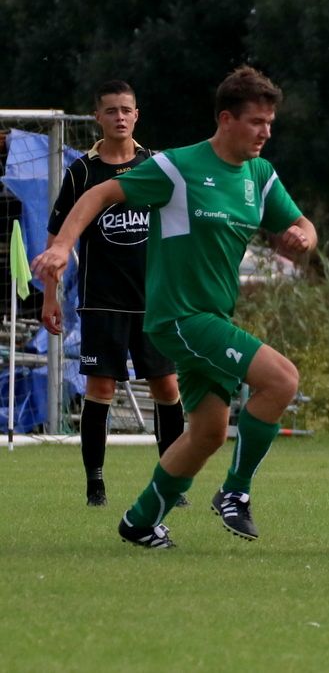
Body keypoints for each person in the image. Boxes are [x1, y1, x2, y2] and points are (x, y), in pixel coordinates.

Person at [33, 66, 317, 549]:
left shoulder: (259, 175)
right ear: (226, 119)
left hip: (212, 318)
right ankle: (235, 492)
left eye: (270, 122)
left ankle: (141, 520)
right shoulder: (177, 167)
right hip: (178, 318)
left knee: (206, 432)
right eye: (256, 122)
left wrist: (302, 236)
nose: (265, 132)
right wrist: (62, 247)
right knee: (282, 379)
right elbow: (101, 192)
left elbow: (301, 224)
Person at [42, 80, 185, 508]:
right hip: (102, 301)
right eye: (111, 110)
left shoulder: (157, 165)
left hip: (154, 300)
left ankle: (171, 484)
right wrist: (50, 297)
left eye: (126, 109)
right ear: (98, 118)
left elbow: (182, 225)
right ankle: (95, 485)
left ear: (136, 115)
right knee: (101, 389)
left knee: (167, 386)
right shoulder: (83, 172)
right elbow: (56, 237)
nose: (119, 117)